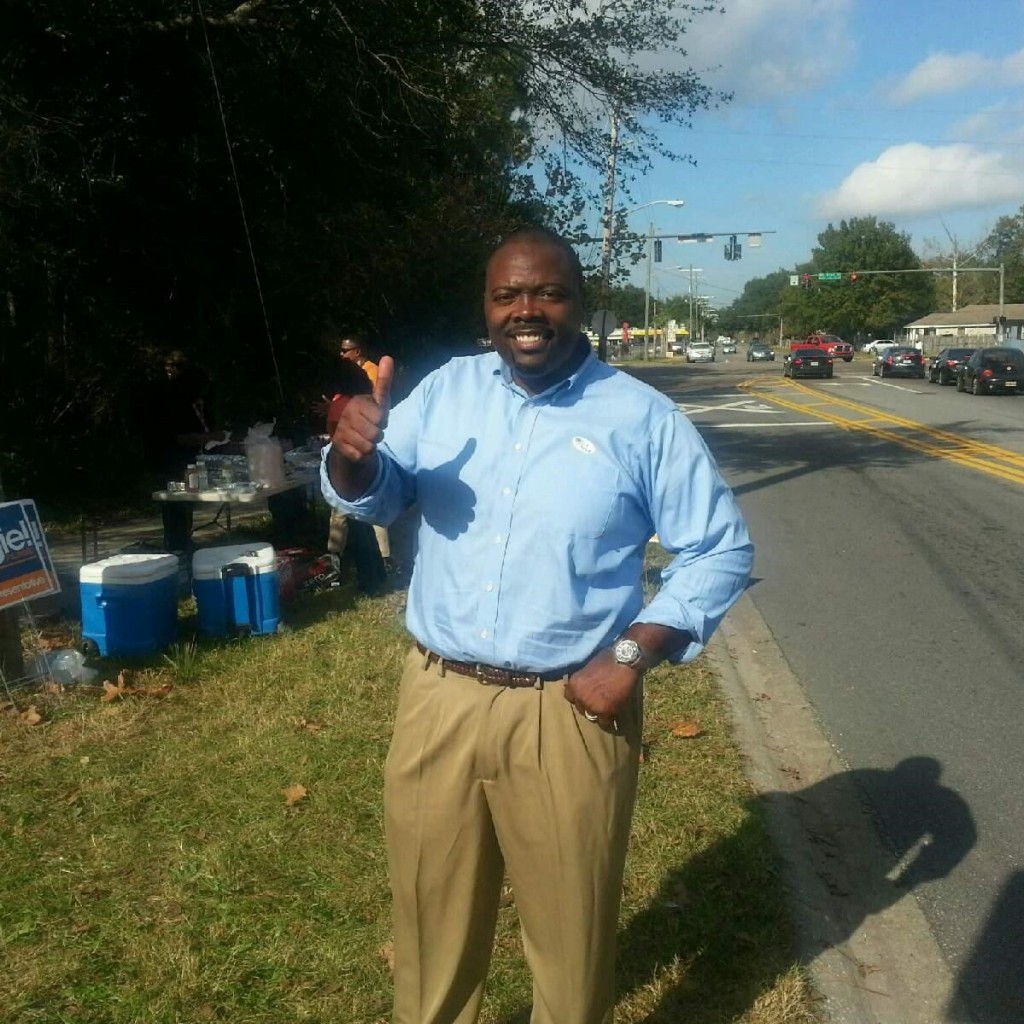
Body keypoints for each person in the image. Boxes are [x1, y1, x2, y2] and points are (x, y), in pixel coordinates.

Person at [321, 226, 753, 1024]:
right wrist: (353, 455)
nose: (527, 310)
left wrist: (630, 654)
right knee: (428, 918)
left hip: (572, 709)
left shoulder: (642, 419)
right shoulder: (446, 393)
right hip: (438, 699)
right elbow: (380, 495)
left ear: (581, 303)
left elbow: (718, 550)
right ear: (486, 308)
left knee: (570, 936)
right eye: (507, 295)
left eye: (547, 293)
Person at [337, 335, 395, 570]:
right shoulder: (350, 372)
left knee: (371, 495)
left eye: (346, 350)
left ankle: (384, 557)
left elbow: (370, 402)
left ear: (358, 351)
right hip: (351, 438)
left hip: (370, 439)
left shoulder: (369, 371)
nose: (342, 355)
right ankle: (337, 553)